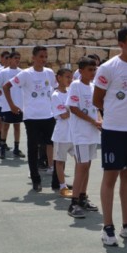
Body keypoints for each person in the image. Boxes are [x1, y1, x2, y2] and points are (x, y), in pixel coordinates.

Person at [93, 26, 127, 246]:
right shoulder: (108, 68)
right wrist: (112, 117)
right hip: (114, 130)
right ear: (121, 45)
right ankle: (108, 227)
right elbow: (97, 99)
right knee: (110, 178)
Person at [3, 45, 56, 192]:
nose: (44, 59)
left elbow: (56, 90)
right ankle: (35, 179)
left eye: (46, 57)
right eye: (41, 56)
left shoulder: (49, 73)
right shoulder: (26, 74)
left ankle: (57, 180)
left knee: (54, 145)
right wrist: (11, 105)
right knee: (33, 148)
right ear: (33, 58)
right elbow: (6, 87)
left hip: (49, 116)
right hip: (32, 117)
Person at [66, 57, 101, 218]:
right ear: (81, 71)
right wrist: (93, 121)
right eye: (89, 70)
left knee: (87, 166)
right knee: (82, 165)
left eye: (94, 70)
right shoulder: (76, 85)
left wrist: (100, 121)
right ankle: (73, 203)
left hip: (92, 133)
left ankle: (82, 197)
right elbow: (73, 108)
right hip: (80, 133)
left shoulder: (93, 87)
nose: (93, 73)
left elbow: (97, 108)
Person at [51, 68, 74, 198]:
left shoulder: (71, 92)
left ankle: (78, 184)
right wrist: (75, 111)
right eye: (67, 77)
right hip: (62, 134)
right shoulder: (56, 95)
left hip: (74, 134)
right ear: (59, 78)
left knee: (80, 160)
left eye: (71, 77)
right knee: (60, 161)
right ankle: (62, 186)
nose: (70, 79)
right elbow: (64, 115)